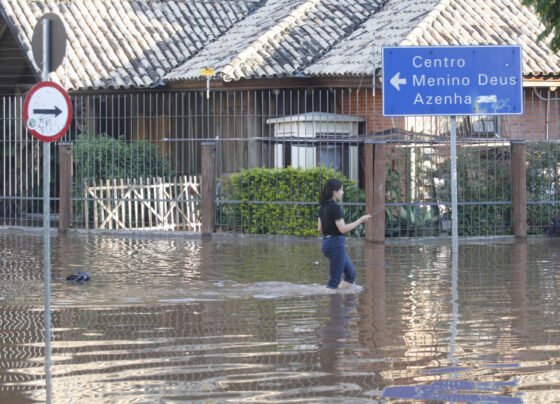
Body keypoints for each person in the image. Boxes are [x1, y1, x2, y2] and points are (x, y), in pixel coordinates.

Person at [318, 178, 371, 289]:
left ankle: (343, 299)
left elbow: (320, 229)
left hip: (326, 243)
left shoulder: (322, 208)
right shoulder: (335, 208)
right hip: (336, 244)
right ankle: (332, 303)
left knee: (350, 274)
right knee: (334, 281)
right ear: (334, 192)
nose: (343, 192)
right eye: (341, 190)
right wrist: (360, 220)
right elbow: (343, 229)